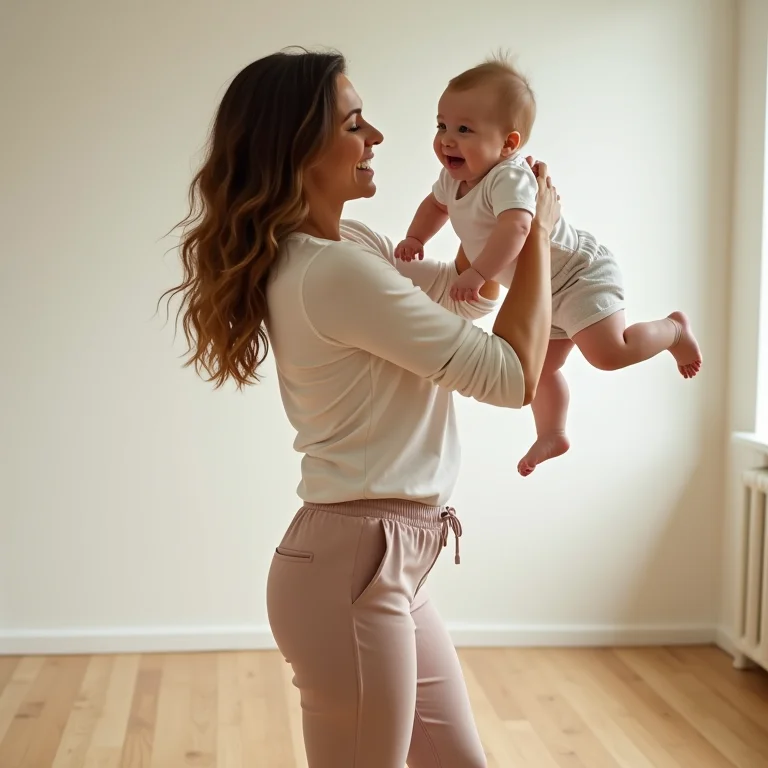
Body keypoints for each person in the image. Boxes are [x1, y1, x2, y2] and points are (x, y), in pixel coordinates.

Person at [162, 48, 559, 768]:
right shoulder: (332, 271)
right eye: (354, 122)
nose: (377, 136)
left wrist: (507, 220)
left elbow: (472, 292)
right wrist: (533, 230)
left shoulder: (350, 244)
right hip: (356, 567)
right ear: (300, 148)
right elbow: (509, 377)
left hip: (391, 561)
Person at [396, 56, 702, 477]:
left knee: (609, 354)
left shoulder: (509, 178)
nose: (447, 140)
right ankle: (552, 432)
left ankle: (673, 330)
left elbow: (519, 227)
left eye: (464, 130)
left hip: (577, 275)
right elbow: (435, 205)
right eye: (441, 126)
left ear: (508, 143)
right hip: (543, 292)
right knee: (539, 367)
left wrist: (479, 272)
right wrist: (417, 238)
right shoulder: (454, 178)